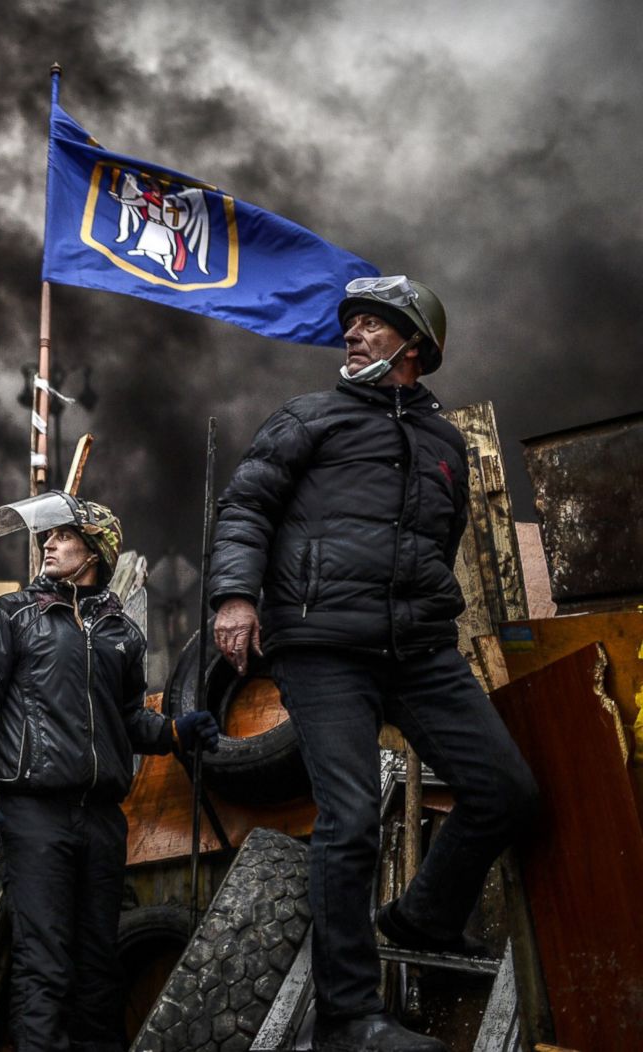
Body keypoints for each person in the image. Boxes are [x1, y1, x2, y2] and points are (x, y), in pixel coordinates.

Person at [208, 275, 539, 1052]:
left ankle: (423, 914)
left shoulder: (444, 443)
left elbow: (442, 538)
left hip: (417, 649)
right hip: (322, 646)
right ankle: (349, 1018)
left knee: (506, 792)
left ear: (414, 347)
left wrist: (417, 608)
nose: (352, 334)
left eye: (371, 325)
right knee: (351, 819)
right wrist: (235, 596)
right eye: (350, 323)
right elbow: (246, 505)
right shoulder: (309, 417)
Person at [0, 493, 218, 1052]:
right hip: (35, 814)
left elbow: (123, 720)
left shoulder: (123, 632)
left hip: (101, 821)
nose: (48, 542)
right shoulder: (13, 614)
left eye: (63, 536)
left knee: (99, 969)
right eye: (48, 536)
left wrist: (172, 733)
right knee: (43, 966)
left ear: (95, 549)